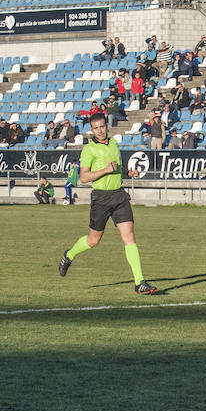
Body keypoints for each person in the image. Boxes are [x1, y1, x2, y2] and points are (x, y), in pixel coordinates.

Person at [57, 113, 157, 294]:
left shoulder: (113, 144)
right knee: (93, 240)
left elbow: (116, 166)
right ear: (92, 130)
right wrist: (104, 170)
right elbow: (84, 177)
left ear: (106, 126)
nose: (100, 130)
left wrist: (128, 173)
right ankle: (69, 255)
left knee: (129, 237)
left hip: (119, 196)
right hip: (101, 198)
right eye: (96, 128)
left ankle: (139, 282)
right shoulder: (89, 150)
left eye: (102, 126)